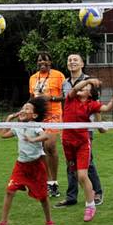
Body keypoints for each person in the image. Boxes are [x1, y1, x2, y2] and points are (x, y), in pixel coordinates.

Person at [63, 78, 113, 222]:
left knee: (83, 175)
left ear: (90, 94)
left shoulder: (91, 104)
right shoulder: (70, 99)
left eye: (86, 87)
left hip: (83, 143)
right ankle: (90, 190)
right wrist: (88, 80)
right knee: (75, 174)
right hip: (67, 142)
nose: (82, 88)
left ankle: (90, 206)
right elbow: (76, 87)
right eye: (82, 86)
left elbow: (107, 108)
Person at [0, 97, 56, 225]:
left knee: (43, 197)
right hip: (21, 166)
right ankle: (3, 222)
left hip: (36, 167)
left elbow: (45, 136)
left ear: (34, 115)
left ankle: (49, 220)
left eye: (27, 109)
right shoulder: (17, 127)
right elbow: (3, 135)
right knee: (9, 191)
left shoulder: (35, 126)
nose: (23, 110)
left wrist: (32, 139)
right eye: (23, 108)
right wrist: (8, 119)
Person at [55, 53, 104, 208]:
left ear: (82, 63)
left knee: (87, 164)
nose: (72, 62)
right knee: (71, 164)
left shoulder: (89, 80)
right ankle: (71, 197)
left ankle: (97, 193)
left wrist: (99, 125)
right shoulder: (65, 83)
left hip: (85, 128)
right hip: (69, 128)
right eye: (69, 60)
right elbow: (67, 104)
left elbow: (96, 105)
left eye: (75, 59)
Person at [28, 53, 67, 198]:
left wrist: (51, 98)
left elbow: (66, 95)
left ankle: (54, 182)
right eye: (39, 60)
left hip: (54, 114)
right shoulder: (33, 78)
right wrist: (27, 112)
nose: (42, 62)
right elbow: (32, 98)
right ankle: (49, 182)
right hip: (38, 116)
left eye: (45, 59)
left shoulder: (58, 75)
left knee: (50, 146)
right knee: (41, 149)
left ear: (50, 62)